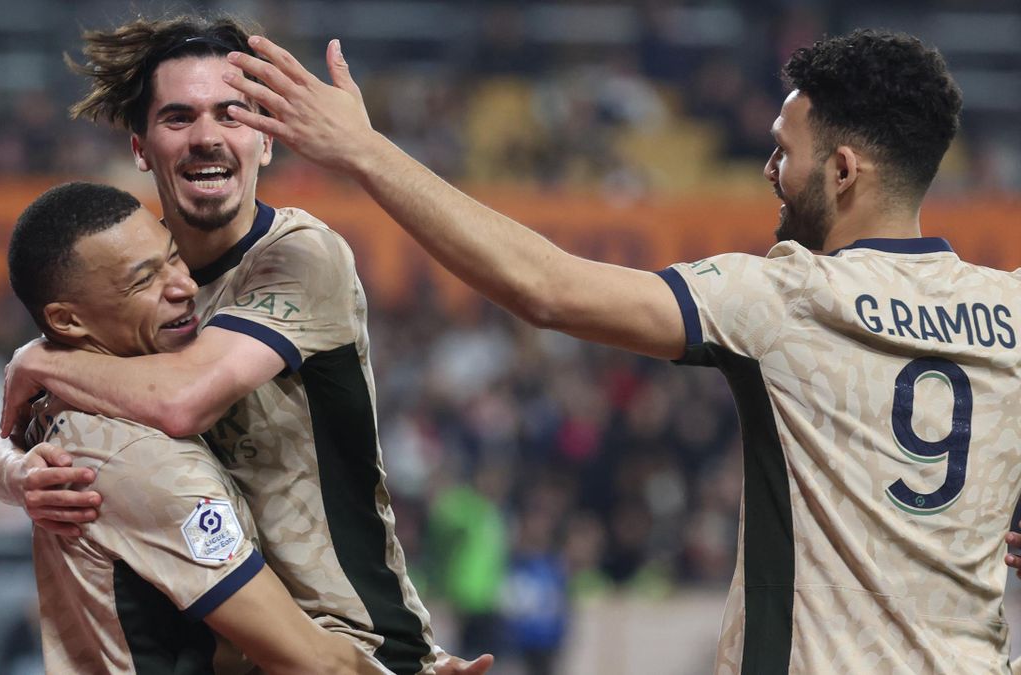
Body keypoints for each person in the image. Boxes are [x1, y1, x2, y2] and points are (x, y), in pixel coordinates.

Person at [220, 30, 1021, 673]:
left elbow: (545, 287)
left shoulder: (786, 297)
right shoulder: (1010, 307)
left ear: (843, 171)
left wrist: (365, 151)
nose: (770, 168)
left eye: (786, 150)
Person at [0, 15, 489, 675]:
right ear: (141, 148)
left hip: (357, 646)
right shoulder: (128, 278)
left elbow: (181, 400)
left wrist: (36, 359)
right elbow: (25, 425)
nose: (207, 136)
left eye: (231, 113)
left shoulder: (301, 255)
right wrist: (17, 472)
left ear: (266, 139)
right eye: (178, 117)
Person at [6, 180, 383, 675]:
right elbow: (312, 662)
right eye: (143, 281)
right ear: (67, 321)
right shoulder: (139, 455)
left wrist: (8, 467)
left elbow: (7, 440)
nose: (184, 287)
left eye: (173, 258)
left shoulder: (58, 401)